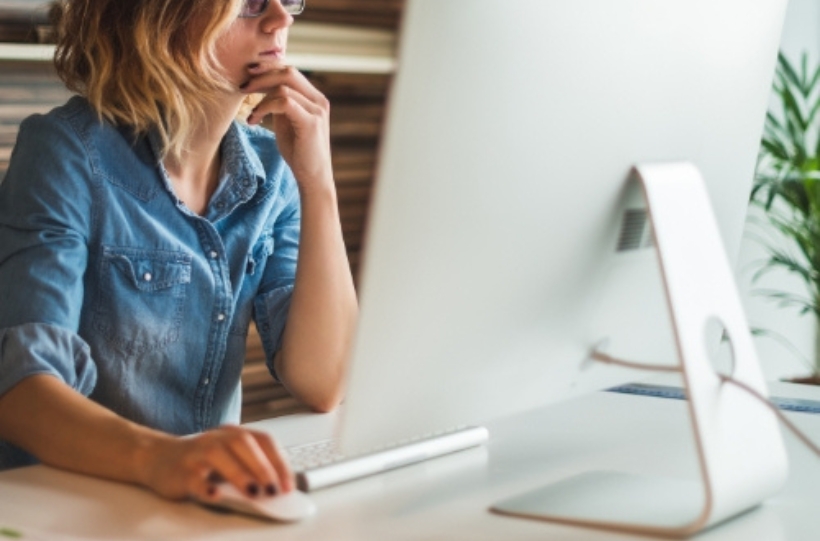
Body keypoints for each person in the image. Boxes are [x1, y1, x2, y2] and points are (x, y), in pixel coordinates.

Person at [0, 0, 358, 503]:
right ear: (161, 15)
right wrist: (162, 458)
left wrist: (317, 181)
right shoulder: (66, 151)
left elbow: (324, 381)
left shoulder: (276, 171)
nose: (282, 20)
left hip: (196, 504)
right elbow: (21, 391)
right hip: (70, 506)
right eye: (251, 4)